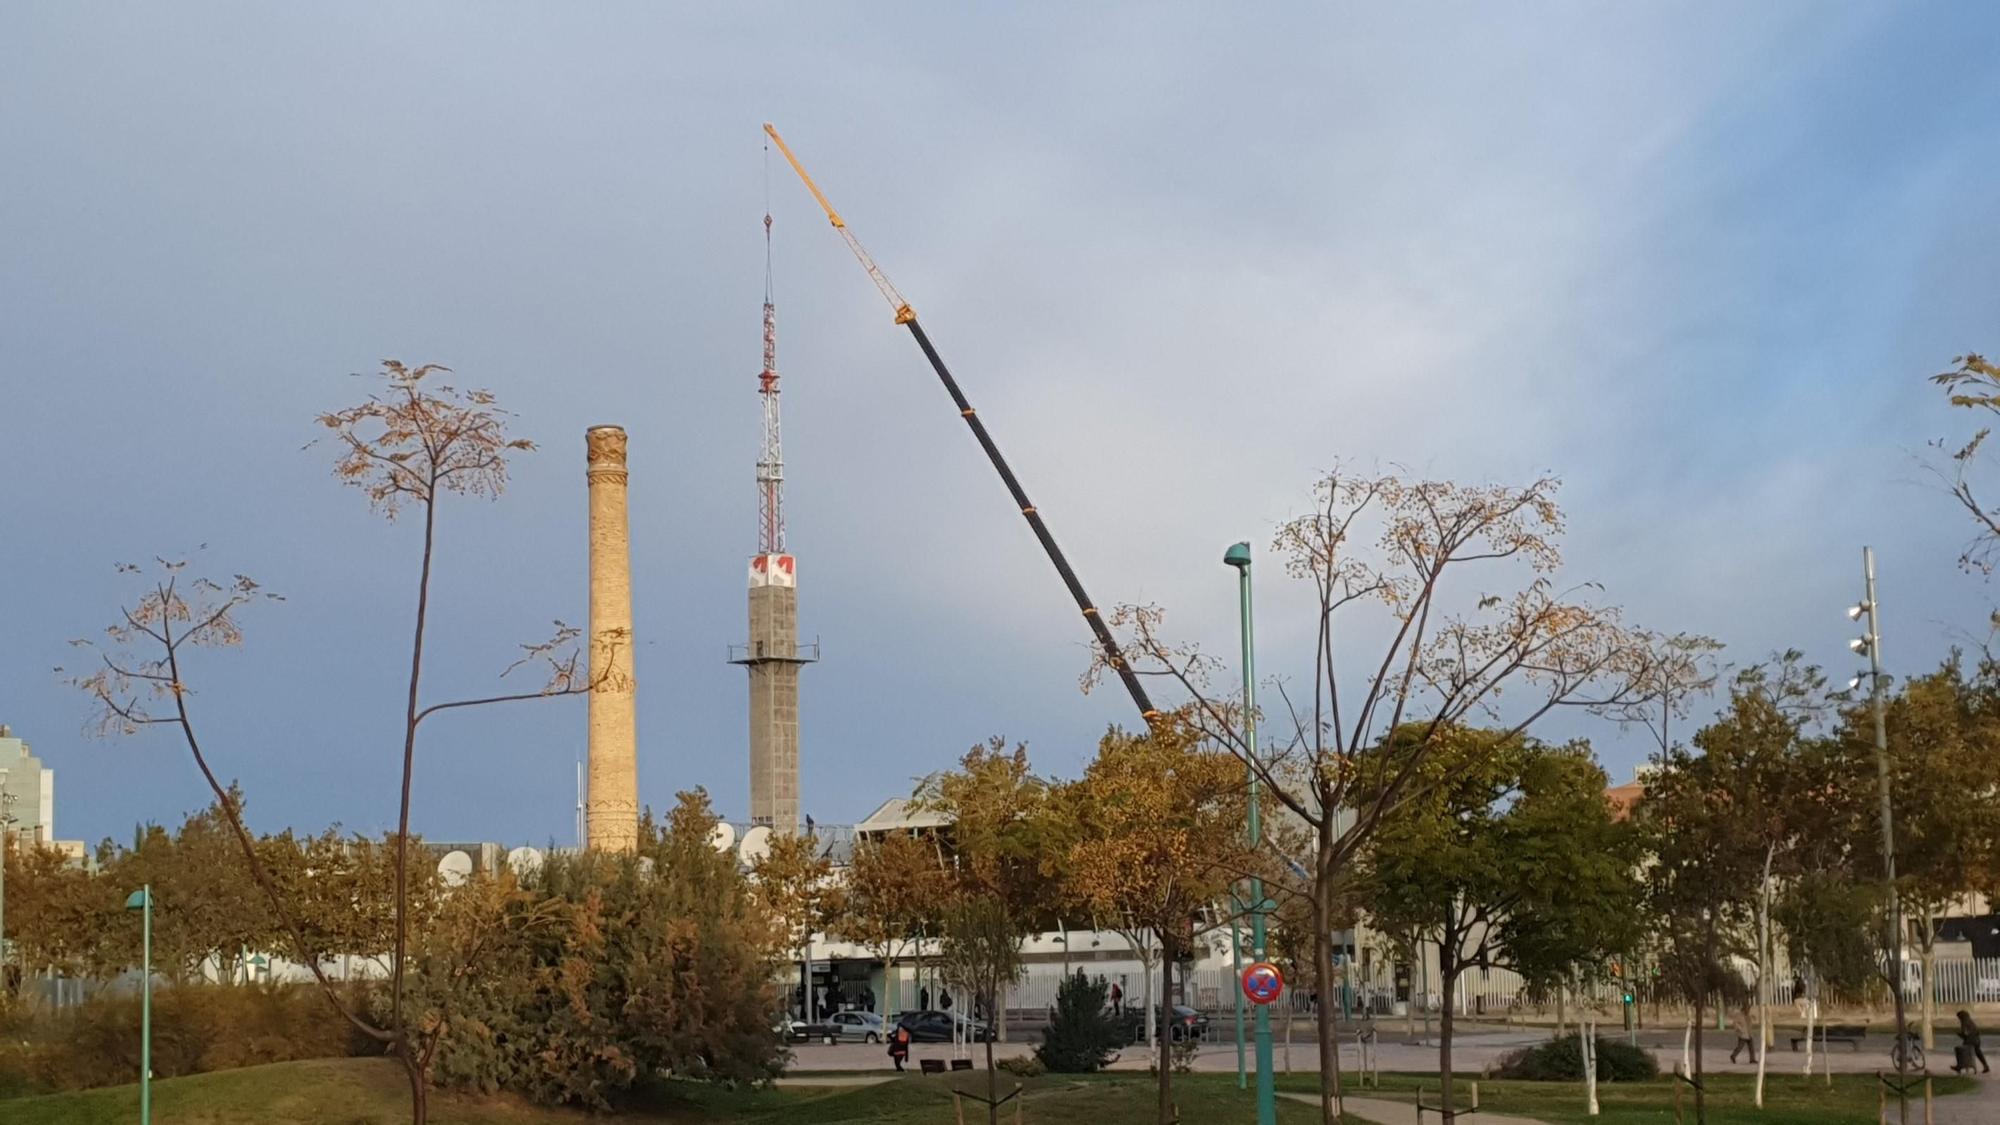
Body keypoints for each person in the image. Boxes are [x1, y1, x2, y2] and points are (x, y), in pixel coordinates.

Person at [1956, 1010, 1990, 1074]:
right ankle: (1986, 1066)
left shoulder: (1964, 1021)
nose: (1958, 1019)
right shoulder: (1970, 1021)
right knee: (1978, 1053)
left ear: (1961, 1016)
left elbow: (1964, 1033)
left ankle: (1960, 1066)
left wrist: (1959, 1034)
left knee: (1961, 1051)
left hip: (1971, 1040)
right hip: (1977, 1040)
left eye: (1959, 1017)